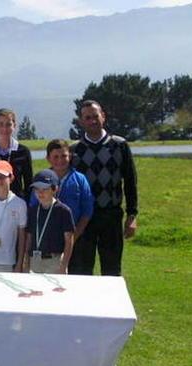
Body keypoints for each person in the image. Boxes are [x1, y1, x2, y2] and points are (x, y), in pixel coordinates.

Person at [70, 100, 138, 276]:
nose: (92, 121)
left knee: (112, 269)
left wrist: (132, 215)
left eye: (95, 116)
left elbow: (130, 181)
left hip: (111, 216)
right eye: (87, 117)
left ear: (103, 116)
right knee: (81, 270)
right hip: (83, 218)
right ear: (81, 121)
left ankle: (111, 304)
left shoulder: (119, 145)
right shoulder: (74, 150)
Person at [28, 139, 93, 240]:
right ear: (48, 158)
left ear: (70, 156)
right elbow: (33, 207)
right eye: (55, 157)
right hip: (46, 237)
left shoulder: (80, 179)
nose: (60, 160)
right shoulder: (41, 179)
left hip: (76, 236)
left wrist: (74, 236)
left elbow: (87, 211)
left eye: (64, 156)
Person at [25, 169, 75, 274]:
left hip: (54, 261)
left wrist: (64, 264)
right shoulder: (33, 210)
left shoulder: (63, 211)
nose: (40, 192)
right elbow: (29, 237)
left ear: (54, 189)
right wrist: (26, 261)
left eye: (44, 188)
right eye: (37, 189)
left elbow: (69, 240)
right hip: (35, 259)